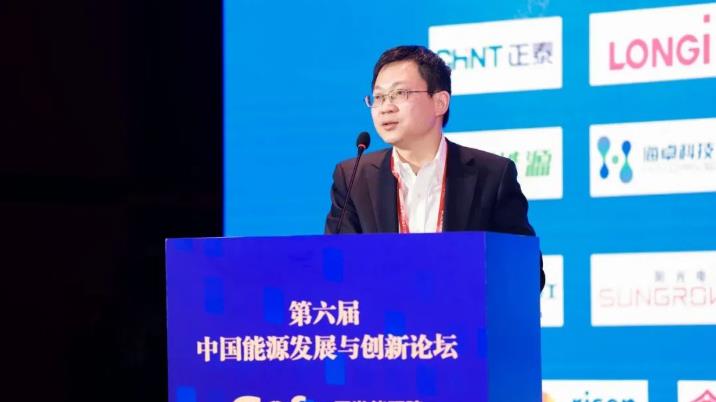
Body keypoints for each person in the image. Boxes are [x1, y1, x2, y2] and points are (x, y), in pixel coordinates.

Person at [324, 45, 544, 290]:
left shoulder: (491, 175)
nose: (386, 107)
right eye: (379, 97)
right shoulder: (353, 177)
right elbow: (335, 269)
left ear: (440, 102)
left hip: (461, 313)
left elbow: (526, 273)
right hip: (382, 314)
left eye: (399, 93)